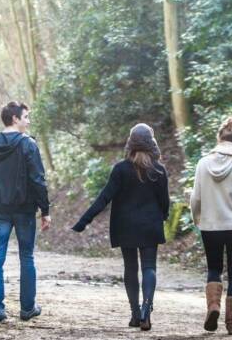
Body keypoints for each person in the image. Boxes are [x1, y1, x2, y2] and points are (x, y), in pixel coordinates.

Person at [71, 123, 170, 331]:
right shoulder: (159, 170)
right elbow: (164, 201)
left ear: (130, 143)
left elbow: (104, 197)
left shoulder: (121, 169)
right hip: (150, 225)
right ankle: (146, 310)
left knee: (131, 268)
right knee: (149, 267)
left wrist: (84, 221)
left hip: (126, 226)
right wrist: (164, 215)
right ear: (151, 143)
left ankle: (135, 314)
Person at [0, 101, 51, 322]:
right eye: (26, 117)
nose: (28, 121)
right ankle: (27, 308)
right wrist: (45, 209)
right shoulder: (28, 145)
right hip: (25, 210)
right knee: (27, 256)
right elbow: (38, 180)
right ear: (15, 119)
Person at [189, 116, 232, 335]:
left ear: (219, 138)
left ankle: (213, 307)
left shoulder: (202, 164)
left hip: (211, 227)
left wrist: (196, 218)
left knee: (214, 269)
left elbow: (195, 199)